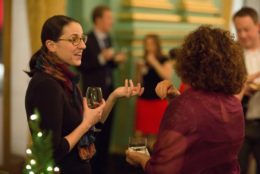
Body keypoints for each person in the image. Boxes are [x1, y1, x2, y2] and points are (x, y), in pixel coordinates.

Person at [25, 15, 143, 174]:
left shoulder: (65, 79)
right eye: (74, 39)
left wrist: (114, 95)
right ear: (51, 45)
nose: (83, 46)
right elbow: (53, 152)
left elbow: (94, 125)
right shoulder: (46, 85)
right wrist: (86, 123)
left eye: (82, 39)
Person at [126, 26, 247, 174]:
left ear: (190, 61)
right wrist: (177, 98)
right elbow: (207, 132)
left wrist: (141, 158)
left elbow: (161, 169)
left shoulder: (184, 106)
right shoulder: (234, 104)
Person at [78, 5, 126, 174]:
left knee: (107, 130)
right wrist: (101, 57)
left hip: (109, 91)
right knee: (93, 131)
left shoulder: (108, 38)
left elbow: (108, 64)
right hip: (93, 94)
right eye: (108, 18)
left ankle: (104, 166)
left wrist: (115, 60)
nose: (111, 21)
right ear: (98, 19)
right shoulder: (88, 39)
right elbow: (82, 66)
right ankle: (92, 166)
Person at [233, 7, 260, 174]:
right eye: (238, 30)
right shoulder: (232, 54)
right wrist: (242, 87)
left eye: (247, 29)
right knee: (237, 168)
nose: (242, 35)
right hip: (240, 123)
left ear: (258, 26)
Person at [135, 34, 173, 149]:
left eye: (151, 44)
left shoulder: (164, 59)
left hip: (158, 102)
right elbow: (138, 83)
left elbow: (167, 76)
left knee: (155, 135)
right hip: (144, 100)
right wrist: (138, 70)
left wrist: (154, 62)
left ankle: (153, 162)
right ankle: (138, 161)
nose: (149, 47)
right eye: (146, 44)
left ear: (157, 45)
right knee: (140, 134)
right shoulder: (143, 60)